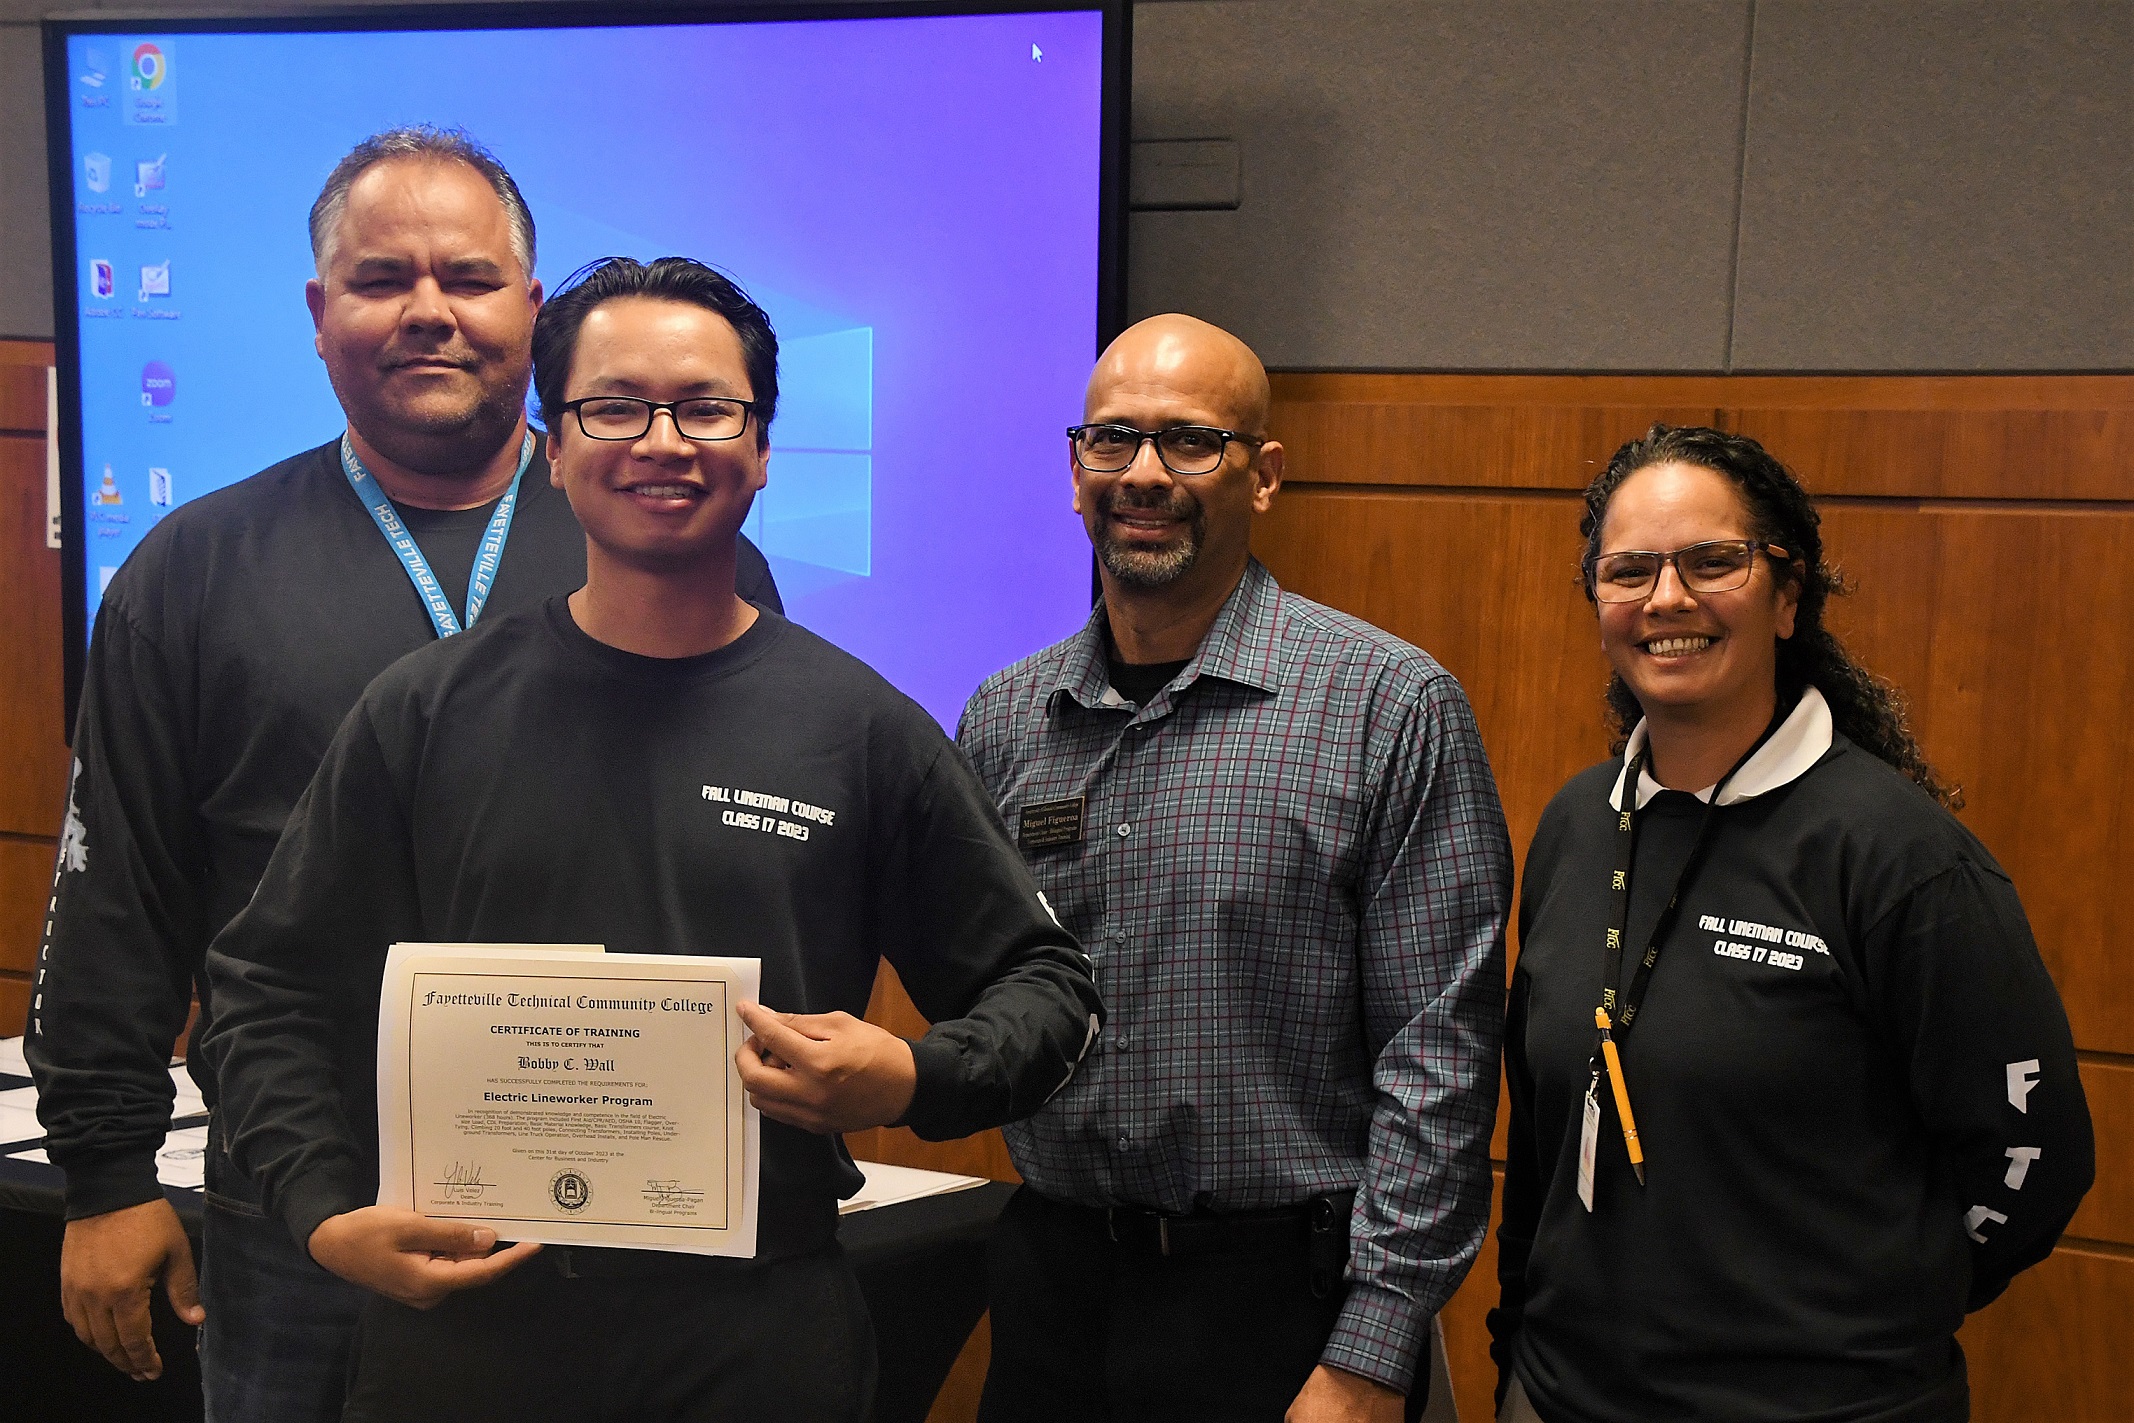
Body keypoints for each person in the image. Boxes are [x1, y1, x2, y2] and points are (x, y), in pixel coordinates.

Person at [198, 255, 1103, 1422]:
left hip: (755, 1336)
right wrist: (321, 1208)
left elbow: (1051, 989)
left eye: (707, 408)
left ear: (763, 447)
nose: (662, 441)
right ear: (555, 446)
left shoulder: (860, 729)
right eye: (614, 407)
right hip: (467, 1330)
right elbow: (265, 988)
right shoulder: (423, 712)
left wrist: (912, 1074)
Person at [25, 128, 781, 1418]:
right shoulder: (192, 573)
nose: (430, 311)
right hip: (309, 1203)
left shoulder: (678, 552)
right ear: (321, 316)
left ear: (533, 316)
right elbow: (121, 891)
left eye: (470, 279)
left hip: (618, 1193)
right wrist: (106, 1172)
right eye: (382, 279)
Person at [959, 313, 1512, 1423]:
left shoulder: (1386, 707)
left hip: (1286, 1308)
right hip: (1056, 1288)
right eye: (1113, 440)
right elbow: (982, 994)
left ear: (1262, 476)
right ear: (1075, 472)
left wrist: (1371, 1350)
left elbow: (1437, 1054)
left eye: (1190, 442)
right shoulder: (1007, 716)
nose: (1144, 475)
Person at [1489, 424, 2095, 1423]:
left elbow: (2032, 1163)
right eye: (1628, 569)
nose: (1666, 598)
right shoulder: (1575, 822)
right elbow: (1546, 1142)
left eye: (1713, 561)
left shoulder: (1898, 857)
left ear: (1788, 596)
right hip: (1567, 1399)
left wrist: (1866, 1310)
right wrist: (1518, 1353)